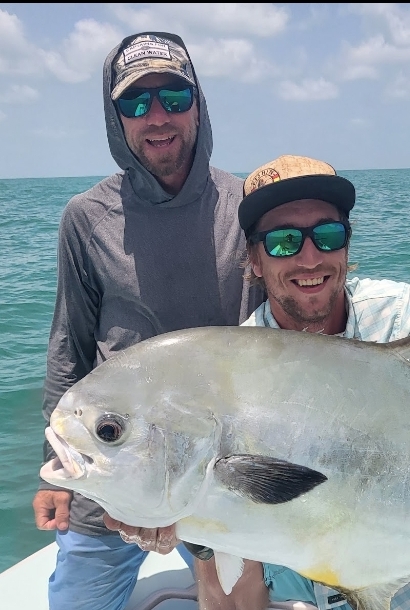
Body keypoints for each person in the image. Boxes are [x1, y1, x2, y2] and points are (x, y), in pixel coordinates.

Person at [143, 153, 410, 610]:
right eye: (285, 241)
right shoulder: (230, 369)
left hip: (408, 592)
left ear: (346, 245)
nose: (310, 258)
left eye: (327, 236)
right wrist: (183, 523)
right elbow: (230, 534)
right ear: (253, 259)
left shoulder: (397, 314)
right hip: (294, 596)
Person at [32, 31, 263, 610]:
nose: (156, 118)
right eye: (135, 103)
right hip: (116, 459)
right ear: (116, 118)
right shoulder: (85, 218)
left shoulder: (249, 204)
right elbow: (70, 349)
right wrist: (54, 468)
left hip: (220, 468)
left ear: (198, 104)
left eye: (173, 98)